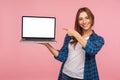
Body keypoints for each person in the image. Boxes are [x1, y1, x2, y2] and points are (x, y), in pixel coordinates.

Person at [40, 7, 104, 80]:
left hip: (83, 77)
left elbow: (91, 50)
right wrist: (47, 45)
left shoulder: (98, 39)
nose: (84, 21)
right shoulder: (70, 36)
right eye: (80, 19)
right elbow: (63, 56)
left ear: (92, 19)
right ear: (77, 21)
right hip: (65, 75)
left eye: (87, 18)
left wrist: (76, 34)